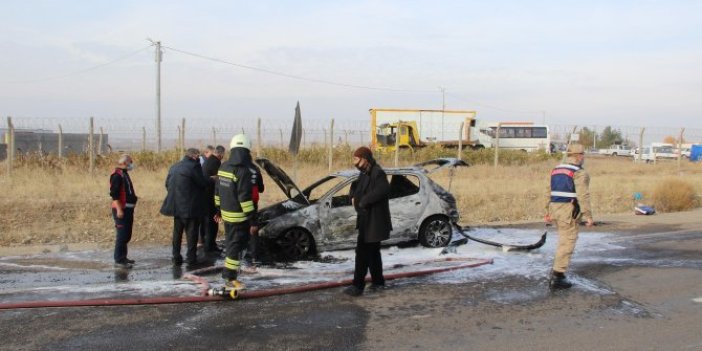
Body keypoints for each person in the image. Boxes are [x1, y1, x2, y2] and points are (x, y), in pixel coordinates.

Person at [215, 134, 263, 287]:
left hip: (226, 216)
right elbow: (245, 199)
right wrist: (253, 220)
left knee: (231, 245)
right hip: (239, 218)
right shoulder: (243, 171)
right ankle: (230, 279)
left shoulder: (223, 167)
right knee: (234, 248)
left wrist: (218, 211)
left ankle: (229, 274)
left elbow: (217, 192)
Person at [343, 146, 392, 297]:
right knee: (373, 254)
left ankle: (358, 286)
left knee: (363, 254)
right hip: (365, 220)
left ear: (365, 159)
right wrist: (353, 197)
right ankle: (378, 282)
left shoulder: (378, 173)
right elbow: (356, 188)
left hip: (374, 222)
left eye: (356, 159)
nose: (354, 162)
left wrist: (363, 202)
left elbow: (383, 190)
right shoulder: (364, 174)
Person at [545, 143, 593, 289]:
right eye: (583, 154)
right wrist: (588, 215)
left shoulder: (556, 169)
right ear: (578, 156)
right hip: (569, 210)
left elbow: (548, 191)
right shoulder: (579, 172)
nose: (584, 157)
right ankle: (558, 276)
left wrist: (546, 211)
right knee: (567, 241)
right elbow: (583, 195)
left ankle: (556, 271)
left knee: (562, 241)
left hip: (555, 209)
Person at [160, 148, 211, 266]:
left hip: (176, 206)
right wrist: (211, 180)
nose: (199, 158)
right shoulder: (194, 167)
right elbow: (202, 182)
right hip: (190, 207)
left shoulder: (174, 166)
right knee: (191, 233)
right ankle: (191, 258)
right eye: (198, 156)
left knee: (177, 233)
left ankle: (176, 256)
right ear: (194, 156)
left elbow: (167, 184)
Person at [109, 154, 138, 269]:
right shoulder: (117, 175)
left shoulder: (124, 174)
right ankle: (119, 259)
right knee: (121, 235)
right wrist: (119, 209)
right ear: (125, 162)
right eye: (130, 162)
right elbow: (114, 195)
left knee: (126, 234)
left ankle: (123, 257)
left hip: (129, 209)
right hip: (121, 210)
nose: (132, 164)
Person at [200, 145, 226, 253]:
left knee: (205, 221)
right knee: (212, 222)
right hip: (210, 196)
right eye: (223, 155)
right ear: (220, 154)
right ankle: (210, 246)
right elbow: (217, 180)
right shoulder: (216, 162)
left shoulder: (208, 160)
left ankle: (204, 241)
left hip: (203, 195)